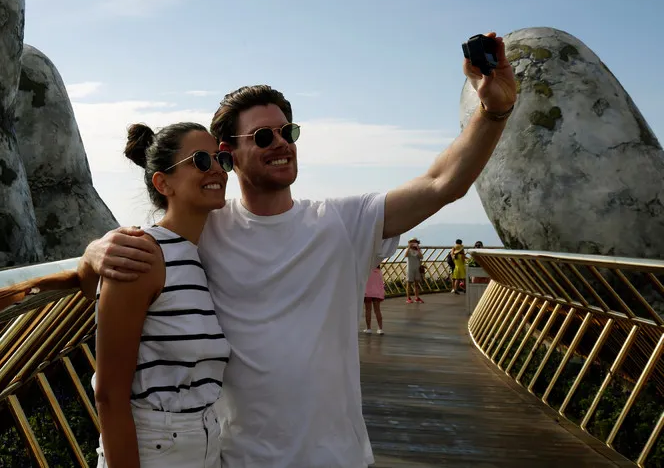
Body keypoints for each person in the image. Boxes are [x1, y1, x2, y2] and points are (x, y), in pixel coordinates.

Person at [77, 32, 517, 467]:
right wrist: (93, 253)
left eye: (287, 131)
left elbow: (441, 184)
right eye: (262, 137)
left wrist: (493, 112)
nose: (282, 143)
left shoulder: (343, 222)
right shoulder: (208, 228)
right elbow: (146, 253)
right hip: (238, 460)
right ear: (229, 153)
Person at [93, 121, 233, 467]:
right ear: (163, 183)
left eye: (221, 159)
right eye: (201, 160)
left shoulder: (205, 252)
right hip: (155, 448)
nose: (217, 169)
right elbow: (109, 395)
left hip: (206, 443)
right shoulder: (143, 255)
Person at [363, 263, 386, 334]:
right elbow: (381, 284)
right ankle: (380, 329)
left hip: (367, 293)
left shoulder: (366, 271)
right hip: (377, 293)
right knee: (377, 310)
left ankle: (368, 328)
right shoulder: (379, 272)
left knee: (368, 310)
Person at [404, 238, 424, 304]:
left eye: (415, 242)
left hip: (417, 268)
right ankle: (408, 298)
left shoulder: (419, 250)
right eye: (412, 242)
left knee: (416, 284)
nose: (414, 243)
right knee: (409, 283)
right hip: (410, 268)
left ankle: (417, 297)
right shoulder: (407, 249)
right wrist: (409, 247)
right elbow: (405, 255)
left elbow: (421, 257)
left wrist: (418, 249)